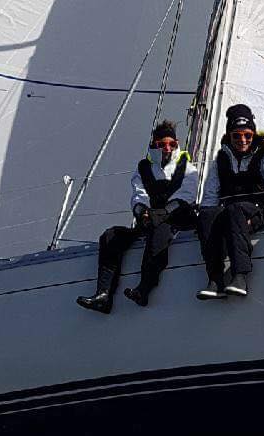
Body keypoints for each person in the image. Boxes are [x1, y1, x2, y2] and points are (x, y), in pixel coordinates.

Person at [76, 119, 198, 313]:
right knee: (111, 235)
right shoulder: (143, 169)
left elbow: (186, 196)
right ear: (155, 145)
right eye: (162, 144)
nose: (167, 148)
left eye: (172, 144)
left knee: (160, 231)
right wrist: (142, 212)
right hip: (149, 220)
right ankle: (103, 294)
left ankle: (144, 288)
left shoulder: (188, 168)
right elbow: (138, 195)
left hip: (178, 219)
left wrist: (163, 213)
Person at [196, 103, 264, 299]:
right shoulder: (221, 159)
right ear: (229, 136)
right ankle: (215, 278)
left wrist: (258, 220)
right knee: (207, 215)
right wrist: (208, 221)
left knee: (235, 210)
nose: (242, 140)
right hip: (231, 214)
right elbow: (210, 198)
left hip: (256, 211)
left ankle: (240, 276)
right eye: (236, 135)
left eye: (247, 135)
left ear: (253, 135)